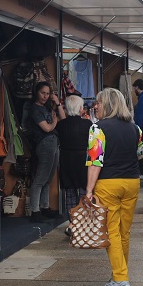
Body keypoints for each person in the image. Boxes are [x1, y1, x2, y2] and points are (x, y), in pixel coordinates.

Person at [86, 88, 143, 286]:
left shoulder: (97, 129)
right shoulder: (135, 128)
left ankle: (120, 278)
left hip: (108, 183)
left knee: (111, 232)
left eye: (99, 103)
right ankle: (119, 272)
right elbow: (140, 153)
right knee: (123, 232)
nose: (95, 106)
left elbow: (95, 162)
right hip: (132, 182)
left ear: (107, 104)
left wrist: (88, 191)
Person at [23, 80, 66, 223]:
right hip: (44, 143)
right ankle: (35, 210)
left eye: (48, 94)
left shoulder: (47, 107)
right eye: (43, 93)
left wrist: (57, 103)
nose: (45, 96)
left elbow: (63, 118)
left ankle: (45, 207)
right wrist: (54, 122)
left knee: (48, 178)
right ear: (37, 92)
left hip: (53, 142)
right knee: (40, 178)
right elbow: (47, 128)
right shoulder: (34, 109)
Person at [57, 94, 92, 223]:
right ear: (80, 108)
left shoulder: (61, 125)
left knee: (70, 193)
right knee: (84, 193)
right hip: (82, 159)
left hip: (66, 160)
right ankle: (84, 222)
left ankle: (73, 223)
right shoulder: (87, 124)